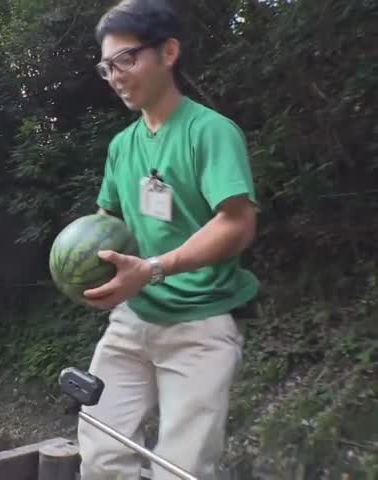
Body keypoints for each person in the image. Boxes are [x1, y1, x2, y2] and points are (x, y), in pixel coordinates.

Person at [77, 0, 260, 479]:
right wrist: (93, 267)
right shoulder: (122, 146)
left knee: (182, 469)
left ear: (169, 52)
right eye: (106, 66)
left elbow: (237, 223)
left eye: (126, 59)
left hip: (200, 326)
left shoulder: (211, 132)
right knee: (100, 456)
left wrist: (153, 268)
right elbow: (107, 220)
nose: (115, 75)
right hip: (131, 320)